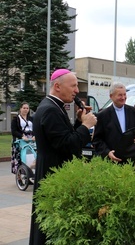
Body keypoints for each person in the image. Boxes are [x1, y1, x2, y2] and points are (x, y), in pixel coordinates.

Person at [29, 69, 97, 245]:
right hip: (52, 173)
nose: (76, 91)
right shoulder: (51, 110)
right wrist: (86, 126)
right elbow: (68, 145)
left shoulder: (52, 106)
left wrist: (79, 122)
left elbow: (62, 138)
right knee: (51, 228)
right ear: (57, 86)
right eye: (73, 86)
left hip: (50, 168)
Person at [93, 82, 135, 165]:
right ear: (111, 96)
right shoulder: (102, 115)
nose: (123, 97)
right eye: (120, 95)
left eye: (124, 94)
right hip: (112, 161)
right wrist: (107, 152)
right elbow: (97, 140)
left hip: (132, 160)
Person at [11, 102, 35, 174]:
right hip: (20, 140)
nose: (25, 110)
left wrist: (35, 135)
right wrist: (22, 136)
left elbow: (35, 128)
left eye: (27, 108)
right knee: (19, 158)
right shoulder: (16, 119)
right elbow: (14, 131)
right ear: (20, 109)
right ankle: (19, 177)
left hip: (31, 140)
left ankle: (29, 173)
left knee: (31, 157)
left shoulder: (31, 118)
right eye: (24, 108)